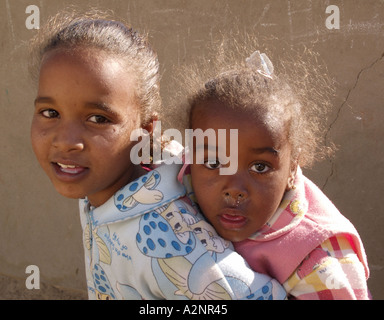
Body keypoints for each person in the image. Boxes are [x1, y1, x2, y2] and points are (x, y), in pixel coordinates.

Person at [29, 11, 286, 300]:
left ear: (146, 131)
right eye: (50, 113)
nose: (66, 142)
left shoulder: (172, 239)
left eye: (99, 119)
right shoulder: (97, 186)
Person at [177, 50, 371, 299]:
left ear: (292, 169)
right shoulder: (177, 184)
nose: (234, 188)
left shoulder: (317, 257)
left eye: (260, 167)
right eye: (214, 163)